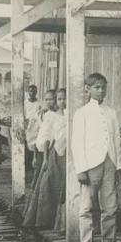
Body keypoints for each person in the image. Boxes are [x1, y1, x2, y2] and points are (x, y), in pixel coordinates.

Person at [71, 73, 121, 242]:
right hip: (90, 164)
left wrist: (117, 165)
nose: (101, 91)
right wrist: (81, 169)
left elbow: (116, 139)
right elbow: (77, 142)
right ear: (88, 89)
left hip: (109, 161)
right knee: (87, 206)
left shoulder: (111, 112)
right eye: (97, 87)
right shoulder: (82, 113)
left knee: (110, 205)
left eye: (103, 87)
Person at [23, 89, 60, 229]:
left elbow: (51, 137)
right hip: (42, 151)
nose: (50, 102)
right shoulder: (44, 114)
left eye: (53, 99)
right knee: (38, 181)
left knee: (50, 183)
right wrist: (35, 156)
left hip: (53, 151)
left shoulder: (58, 115)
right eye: (47, 99)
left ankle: (50, 217)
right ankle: (35, 215)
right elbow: (40, 134)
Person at [53, 88, 67, 232]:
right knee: (62, 184)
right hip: (59, 152)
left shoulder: (73, 114)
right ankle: (61, 223)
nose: (62, 102)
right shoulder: (53, 116)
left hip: (72, 152)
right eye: (59, 99)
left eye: (65, 98)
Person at [24, 84, 40, 172]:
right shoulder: (25, 103)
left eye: (34, 91)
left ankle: (34, 162)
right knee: (27, 142)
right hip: (28, 125)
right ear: (28, 92)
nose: (32, 93)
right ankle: (27, 164)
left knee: (35, 143)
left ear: (36, 92)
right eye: (30, 91)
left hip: (36, 125)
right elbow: (23, 113)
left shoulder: (39, 103)